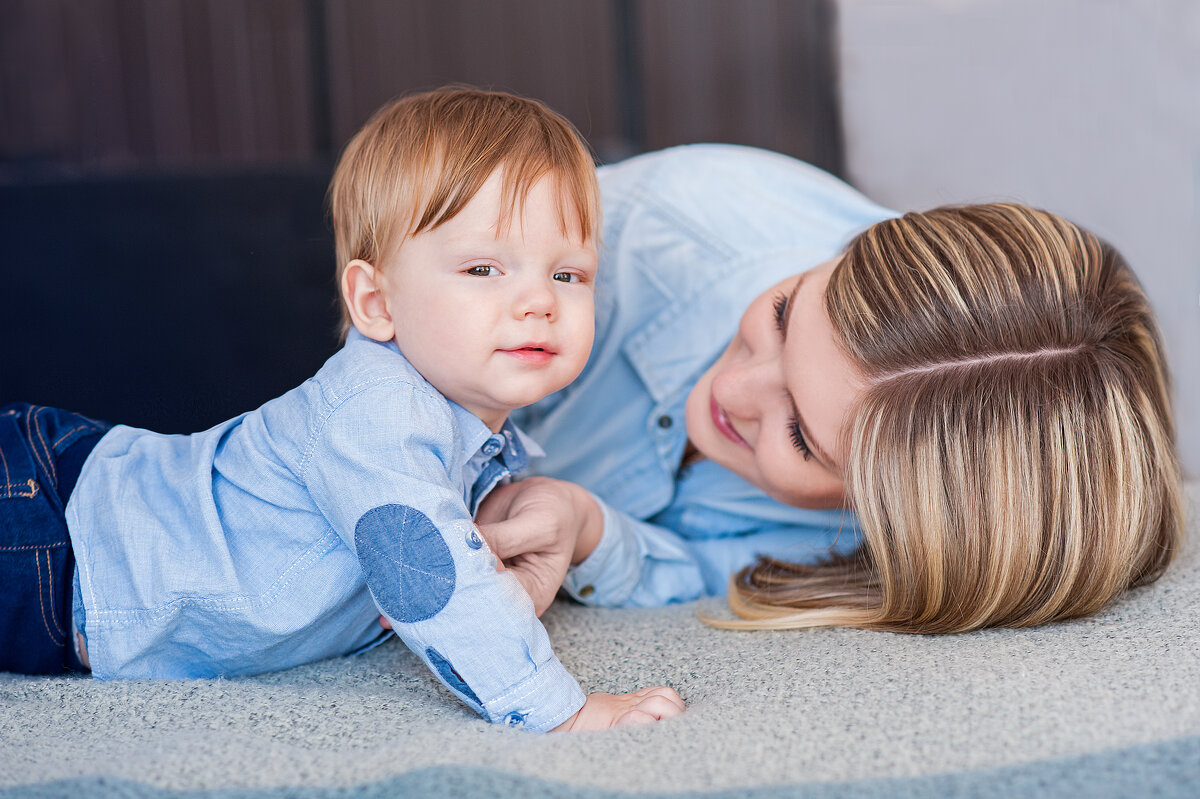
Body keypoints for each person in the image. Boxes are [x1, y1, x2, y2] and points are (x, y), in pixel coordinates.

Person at [0, 87, 683, 733]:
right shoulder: (378, 413)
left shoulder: (476, 429)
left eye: (568, 274)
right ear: (377, 303)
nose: (540, 300)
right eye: (483, 269)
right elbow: (438, 588)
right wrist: (560, 711)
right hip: (54, 532)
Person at [478, 143, 1182, 634]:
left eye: (800, 436)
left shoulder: (904, 525)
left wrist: (589, 531)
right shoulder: (637, 231)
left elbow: (721, 568)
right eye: (784, 315)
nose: (736, 388)